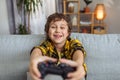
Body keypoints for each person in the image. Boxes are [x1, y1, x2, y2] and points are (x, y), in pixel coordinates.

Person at [29, 13, 87, 80]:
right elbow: (38, 50)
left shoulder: (73, 43)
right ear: (48, 31)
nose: (58, 30)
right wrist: (34, 59)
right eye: (53, 27)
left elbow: (78, 51)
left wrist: (78, 63)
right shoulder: (47, 45)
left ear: (68, 32)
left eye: (62, 27)